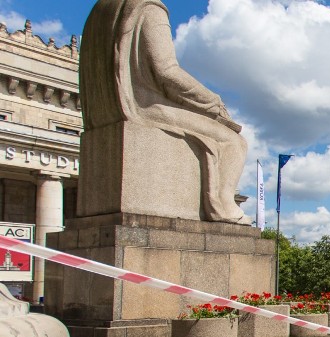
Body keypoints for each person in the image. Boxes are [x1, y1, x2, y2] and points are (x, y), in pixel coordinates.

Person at [80, 0, 250, 224]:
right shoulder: (149, 7)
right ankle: (224, 209)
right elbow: (167, 71)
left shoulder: (99, 11)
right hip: (143, 108)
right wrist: (214, 103)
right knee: (234, 142)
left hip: (105, 113)